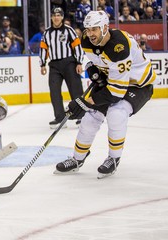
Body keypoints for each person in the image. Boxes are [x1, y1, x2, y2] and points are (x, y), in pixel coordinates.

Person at [54, 11, 157, 179]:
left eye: (94, 29)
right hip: (113, 80)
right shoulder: (87, 40)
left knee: (117, 113)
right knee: (90, 118)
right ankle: (77, 159)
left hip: (138, 85)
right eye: (87, 29)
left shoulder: (119, 47)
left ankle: (114, 158)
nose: (90, 34)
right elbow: (90, 60)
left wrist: (83, 102)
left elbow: (117, 92)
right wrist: (94, 72)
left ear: (105, 28)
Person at [39, 7, 84, 129]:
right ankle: (60, 117)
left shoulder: (69, 30)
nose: (56, 17)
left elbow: (77, 46)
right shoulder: (47, 33)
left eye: (58, 15)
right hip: (54, 65)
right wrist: (42, 63)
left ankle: (82, 116)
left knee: (76, 90)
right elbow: (43, 48)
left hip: (69, 63)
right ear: (51, 17)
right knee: (54, 91)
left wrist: (79, 62)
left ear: (62, 17)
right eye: (54, 15)